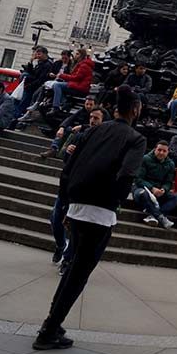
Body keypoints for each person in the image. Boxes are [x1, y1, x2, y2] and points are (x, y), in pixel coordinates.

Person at [32, 86, 144, 350]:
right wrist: (115, 202)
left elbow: (67, 168)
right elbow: (127, 174)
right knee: (79, 273)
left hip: (75, 207)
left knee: (72, 268)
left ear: (114, 108)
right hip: (101, 213)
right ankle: (48, 330)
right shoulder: (135, 139)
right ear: (136, 110)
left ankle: (53, 323)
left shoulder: (90, 131)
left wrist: (65, 205)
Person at [49, 105, 106, 269]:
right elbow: (64, 158)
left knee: (76, 226)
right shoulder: (79, 135)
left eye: (97, 118)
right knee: (55, 219)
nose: (93, 121)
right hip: (68, 186)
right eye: (91, 117)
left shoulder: (103, 142)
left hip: (85, 191)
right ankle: (61, 245)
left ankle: (67, 259)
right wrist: (68, 151)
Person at [132, 141, 177, 228]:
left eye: (164, 151)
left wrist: (164, 189)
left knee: (176, 198)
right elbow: (138, 179)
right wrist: (152, 188)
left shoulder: (171, 164)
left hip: (158, 191)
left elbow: (168, 182)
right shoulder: (145, 159)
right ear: (155, 149)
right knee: (143, 194)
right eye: (159, 150)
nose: (161, 153)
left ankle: (153, 215)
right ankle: (160, 217)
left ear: (168, 152)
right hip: (142, 188)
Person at [15, 46, 52, 124]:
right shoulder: (40, 63)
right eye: (37, 54)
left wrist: (29, 85)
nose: (37, 56)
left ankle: (17, 117)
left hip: (34, 87)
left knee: (24, 102)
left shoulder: (47, 65)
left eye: (39, 54)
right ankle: (16, 116)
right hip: (30, 86)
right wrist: (31, 62)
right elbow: (32, 72)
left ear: (45, 54)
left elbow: (40, 79)